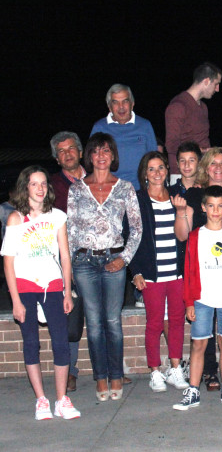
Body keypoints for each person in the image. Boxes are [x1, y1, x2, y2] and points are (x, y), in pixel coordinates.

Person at [67, 132, 142, 401]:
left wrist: (125, 258)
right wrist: (69, 269)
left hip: (114, 260)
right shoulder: (76, 189)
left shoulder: (125, 188)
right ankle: (100, 378)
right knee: (95, 324)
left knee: (113, 322)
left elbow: (136, 228)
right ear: (89, 155)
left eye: (106, 150)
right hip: (84, 263)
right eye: (96, 151)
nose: (101, 156)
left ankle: (115, 376)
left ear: (113, 155)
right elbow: (70, 232)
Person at [1, 166, 81, 420]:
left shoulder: (57, 216)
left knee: (61, 343)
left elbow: (65, 256)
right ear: (26, 187)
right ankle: (41, 400)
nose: (40, 188)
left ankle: (61, 399)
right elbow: (9, 261)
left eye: (44, 183)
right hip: (25, 287)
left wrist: (68, 291)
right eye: (34, 183)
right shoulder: (16, 218)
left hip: (53, 286)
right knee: (31, 343)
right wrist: (15, 300)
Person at [173, 147, 222, 391]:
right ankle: (208, 373)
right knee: (202, 332)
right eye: (213, 163)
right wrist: (181, 212)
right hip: (202, 269)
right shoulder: (196, 194)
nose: (218, 168)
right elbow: (184, 235)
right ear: (206, 167)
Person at [130, 151, 189, 393]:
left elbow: (184, 235)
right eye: (151, 169)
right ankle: (154, 371)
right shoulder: (137, 199)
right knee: (154, 323)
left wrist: (180, 210)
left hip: (175, 272)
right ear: (145, 173)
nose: (157, 173)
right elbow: (131, 236)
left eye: (161, 168)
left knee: (176, 321)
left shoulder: (177, 196)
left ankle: (175, 369)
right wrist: (135, 271)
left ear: (167, 170)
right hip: (151, 274)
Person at [49, 131, 85, 393]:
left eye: (71, 148)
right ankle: (70, 371)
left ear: (81, 152)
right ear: (57, 158)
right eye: (61, 151)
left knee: (101, 317)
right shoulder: (51, 186)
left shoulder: (98, 177)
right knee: (68, 316)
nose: (67, 153)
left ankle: (108, 371)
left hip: (98, 258)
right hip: (65, 258)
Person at [90, 84, 158, 189]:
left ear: (132, 104)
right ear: (109, 107)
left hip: (140, 189)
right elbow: (92, 161)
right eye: (115, 102)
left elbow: (154, 159)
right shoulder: (99, 127)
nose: (121, 107)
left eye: (125, 101)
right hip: (109, 190)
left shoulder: (145, 125)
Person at [165, 62, 222, 181]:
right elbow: (171, 145)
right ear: (206, 81)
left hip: (202, 172)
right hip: (182, 174)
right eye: (216, 84)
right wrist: (204, 151)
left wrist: (216, 153)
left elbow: (202, 140)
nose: (217, 89)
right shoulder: (178, 106)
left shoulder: (203, 107)